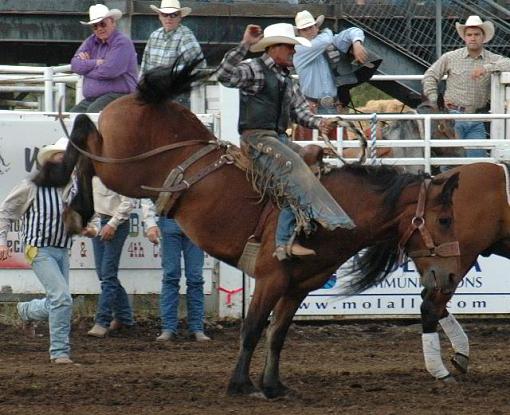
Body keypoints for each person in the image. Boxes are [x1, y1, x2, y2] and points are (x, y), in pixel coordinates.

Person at [217, 23, 356, 260]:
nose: (293, 51)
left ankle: (294, 235)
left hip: (277, 139)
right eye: (290, 46)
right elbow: (224, 76)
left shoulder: (286, 79)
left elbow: (299, 111)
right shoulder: (255, 69)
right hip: (257, 139)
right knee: (294, 166)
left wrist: (319, 124)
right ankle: (315, 227)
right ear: (274, 48)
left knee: (314, 161)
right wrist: (245, 45)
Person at [0, 137, 76, 364]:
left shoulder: (73, 188)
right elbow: (6, 212)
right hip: (38, 249)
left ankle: (26, 311)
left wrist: (85, 226)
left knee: (59, 299)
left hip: (63, 249)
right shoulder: (30, 187)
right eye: (60, 157)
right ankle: (60, 353)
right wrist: (2, 242)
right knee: (62, 298)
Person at [422, 15, 510, 158]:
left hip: (476, 118)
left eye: (476, 34)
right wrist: (435, 101)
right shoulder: (451, 57)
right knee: (451, 161)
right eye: (469, 34)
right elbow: (430, 76)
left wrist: (487, 68)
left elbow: (508, 63)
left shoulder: (491, 58)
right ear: (464, 37)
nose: (473, 38)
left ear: (483, 37)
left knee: (477, 160)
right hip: (452, 116)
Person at [293, 10, 374, 140]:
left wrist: (357, 42)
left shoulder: (324, 42)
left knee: (338, 149)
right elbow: (325, 40)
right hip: (312, 109)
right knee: (311, 151)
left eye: (311, 27)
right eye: (304, 29)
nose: (309, 31)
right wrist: (328, 32)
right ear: (299, 33)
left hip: (332, 106)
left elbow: (354, 31)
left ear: (316, 27)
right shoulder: (300, 48)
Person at [141, 200, 210, 342]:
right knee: (172, 276)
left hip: (194, 220)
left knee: (194, 277)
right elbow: (149, 198)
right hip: (172, 218)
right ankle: (170, 328)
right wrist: (151, 224)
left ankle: (194, 328)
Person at [84, 177, 136, 338]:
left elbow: (128, 202)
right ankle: (124, 316)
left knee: (107, 274)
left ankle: (102, 321)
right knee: (105, 273)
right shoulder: (90, 175)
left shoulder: (115, 173)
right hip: (99, 220)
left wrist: (112, 224)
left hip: (115, 224)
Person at [70, 4, 138, 113]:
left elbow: (110, 71)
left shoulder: (122, 42)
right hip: (92, 99)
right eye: (95, 26)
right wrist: (96, 63)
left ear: (112, 22)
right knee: (71, 116)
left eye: (102, 24)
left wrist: (86, 70)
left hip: (120, 96)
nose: (99, 29)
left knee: (92, 113)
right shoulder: (91, 41)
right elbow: (75, 65)